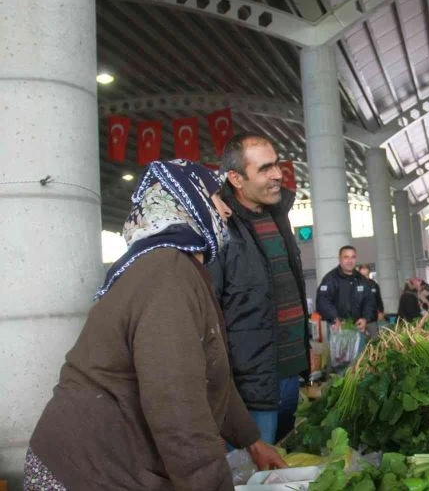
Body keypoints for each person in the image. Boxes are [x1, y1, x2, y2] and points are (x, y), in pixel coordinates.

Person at [26, 160, 285, 491]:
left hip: (106, 465)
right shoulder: (168, 275)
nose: (226, 210)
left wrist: (252, 442)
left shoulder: (179, 269)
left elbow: (212, 373)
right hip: (85, 473)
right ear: (186, 205)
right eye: (216, 199)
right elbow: (177, 408)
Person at [209, 133, 310, 446]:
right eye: (265, 168)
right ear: (236, 178)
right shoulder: (219, 226)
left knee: (283, 458)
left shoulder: (279, 215)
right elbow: (208, 310)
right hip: (251, 384)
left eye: (276, 165)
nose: (278, 174)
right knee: (253, 466)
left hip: (290, 371)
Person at [316, 245, 378, 338]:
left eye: (353, 257)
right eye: (346, 257)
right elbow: (322, 301)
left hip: (359, 328)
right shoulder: (330, 279)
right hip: (338, 329)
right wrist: (335, 318)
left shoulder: (361, 279)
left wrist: (366, 319)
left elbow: (370, 301)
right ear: (339, 259)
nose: (350, 261)